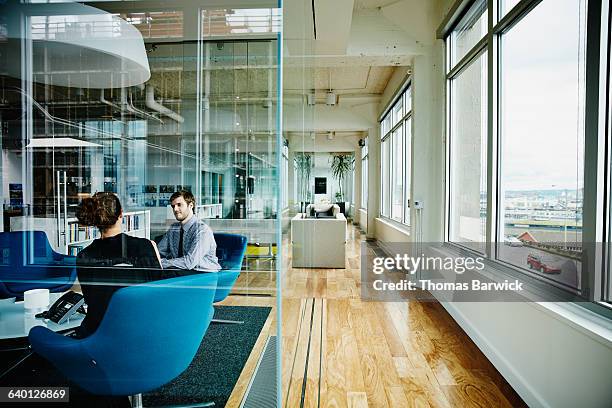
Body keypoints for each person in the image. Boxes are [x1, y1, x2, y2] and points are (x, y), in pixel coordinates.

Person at [74, 192, 165, 338]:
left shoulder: (84, 256)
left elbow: (91, 300)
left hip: (100, 335)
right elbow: (160, 292)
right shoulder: (148, 246)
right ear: (121, 214)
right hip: (146, 331)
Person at [158, 190, 221, 273]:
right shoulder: (174, 228)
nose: (175, 209)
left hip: (202, 274)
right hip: (181, 271)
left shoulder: (202, 231)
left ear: (190, 205)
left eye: (179, 205)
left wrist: (162, 263)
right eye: (173, 206)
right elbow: (159, 251)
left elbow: (189, 262)